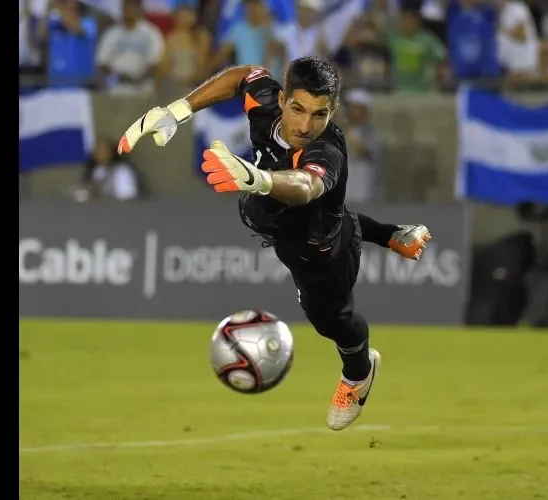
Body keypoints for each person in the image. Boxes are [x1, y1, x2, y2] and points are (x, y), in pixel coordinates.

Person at [116, 56, 432, 431]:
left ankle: (359, 371)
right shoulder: (265, 103)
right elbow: (243, 76)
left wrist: (259, 179)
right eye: (298, 108)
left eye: (320, 114)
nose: (305, 125)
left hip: (323, 256)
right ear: (281, 99)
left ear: (333, 113)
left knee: (333, 320)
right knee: (295, 211)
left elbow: (306, 186)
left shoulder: (327, 150)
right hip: (302, 223)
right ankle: (392, 233)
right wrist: (177, 110)